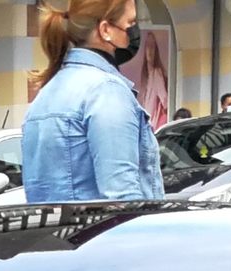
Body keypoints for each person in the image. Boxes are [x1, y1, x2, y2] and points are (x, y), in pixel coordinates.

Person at [21, 0, 165, 202]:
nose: (134, 31)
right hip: (105, 232)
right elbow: (123, 199)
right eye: (131, 22)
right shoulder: (106, 91)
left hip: (58, 232)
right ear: (105, 29)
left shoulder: (46, 94)